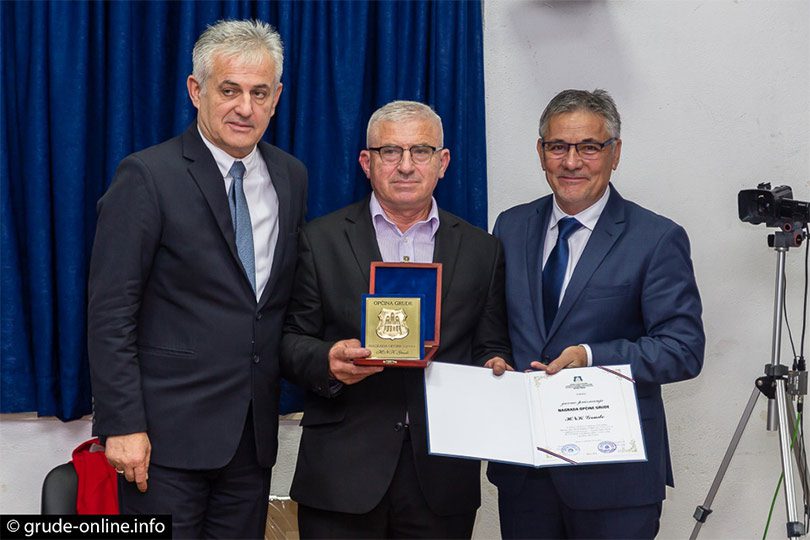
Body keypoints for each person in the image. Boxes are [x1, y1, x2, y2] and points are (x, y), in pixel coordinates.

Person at [87, 20, 307, 538]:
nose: (245, 108)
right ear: (196, 90)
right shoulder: (147, 176)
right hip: (163, 443)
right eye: (229, 90)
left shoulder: (291, 177)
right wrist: (122, 424)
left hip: (251, 442)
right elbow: (111, 312)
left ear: (276, 98)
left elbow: (272, 305)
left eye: (259, 93)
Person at [280, 100, 512, 538]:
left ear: (442, 162)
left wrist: (494, 365)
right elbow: (290, 339)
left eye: (420, 151)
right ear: (366, 163)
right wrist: (327, 360)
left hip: (441, 475)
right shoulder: (319, 239)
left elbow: (490, 344)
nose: (405, 165)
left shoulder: (483, 250)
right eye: (390, 151)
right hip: (342, 474)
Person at [487, 89, 705, 539]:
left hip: (615, 480)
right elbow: (496, 326)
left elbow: (683, 349)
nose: (572, 162)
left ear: (614, 153)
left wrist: (590, 356)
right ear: (541, 152)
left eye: (588, 147)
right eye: (558, 147)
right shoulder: (510, 225)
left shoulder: (656, 238)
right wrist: (492, 357)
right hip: (525, 476)